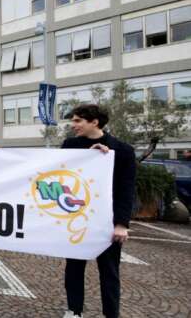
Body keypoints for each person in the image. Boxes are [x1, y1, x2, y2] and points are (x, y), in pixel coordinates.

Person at [61, 105, 135, 318]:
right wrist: (87, 158)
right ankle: (74, 311)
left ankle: (111, 314)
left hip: (107, 222)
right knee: (74, 268)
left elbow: (126, 189)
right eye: (73, 121)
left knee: (109, 273)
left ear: (94, 122)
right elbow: (60, 174)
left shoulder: (123, 150)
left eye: (78, 121)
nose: (73, 125)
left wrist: (121, 224)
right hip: (76, 219)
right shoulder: (70, 145)